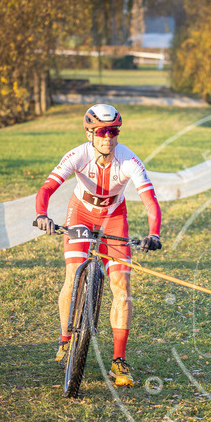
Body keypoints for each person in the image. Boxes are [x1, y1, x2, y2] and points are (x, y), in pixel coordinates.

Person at [34, 103, 162, 387]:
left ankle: (118, 360)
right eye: (102, 131)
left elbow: (150, 201)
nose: (108, 137)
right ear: (90, 133)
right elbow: (47, 188)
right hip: (80, 213)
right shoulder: (78, 155)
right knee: (73, 277)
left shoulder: (128, 160)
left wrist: (154, 233)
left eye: (114, 131)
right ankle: (66, 339)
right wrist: (42, 214)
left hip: (115, 220)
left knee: (122, 287)